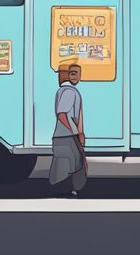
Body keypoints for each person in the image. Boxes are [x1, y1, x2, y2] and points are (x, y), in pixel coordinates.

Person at [49, 62, 87, 198]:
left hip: (64, 135)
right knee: (72, 163)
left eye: (78, 73)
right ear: (64, 75)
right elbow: (62, 114)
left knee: (67, 162)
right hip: (66, 135)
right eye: (72, 73)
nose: (76, 77)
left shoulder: (65, 91)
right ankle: (67, 191)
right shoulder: (69, 91)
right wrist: (75, 132)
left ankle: (66, 190)